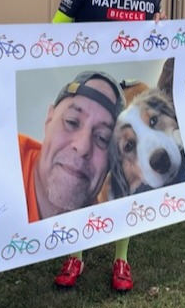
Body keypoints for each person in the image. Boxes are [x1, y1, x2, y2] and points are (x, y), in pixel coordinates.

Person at [51, 0, 167, 292]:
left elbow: (149, 47)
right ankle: (76, 253)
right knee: (86, 167)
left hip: (129, 94)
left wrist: (159, 34)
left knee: (123, 173)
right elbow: (53, 32)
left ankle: (121, 258)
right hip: (92, 91)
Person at [20, 70, 125, 222]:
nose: (83, 147)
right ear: (49, 120)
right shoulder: (0, 157)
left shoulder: (103, 229)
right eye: (72, 122)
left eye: (102, 138)